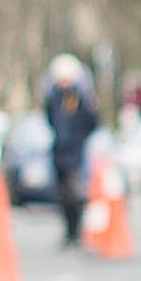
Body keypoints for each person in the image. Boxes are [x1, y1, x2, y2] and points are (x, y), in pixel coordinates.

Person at [42, 55, 99, 249]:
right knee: (62, 194)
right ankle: (68, 230)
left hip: (75, 152)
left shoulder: (80, 98)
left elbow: (92, 121)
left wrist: (79, 137)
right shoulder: (53, 97)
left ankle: (76, 230)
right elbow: (50, 119)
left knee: (74, 193)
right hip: (59, 151)